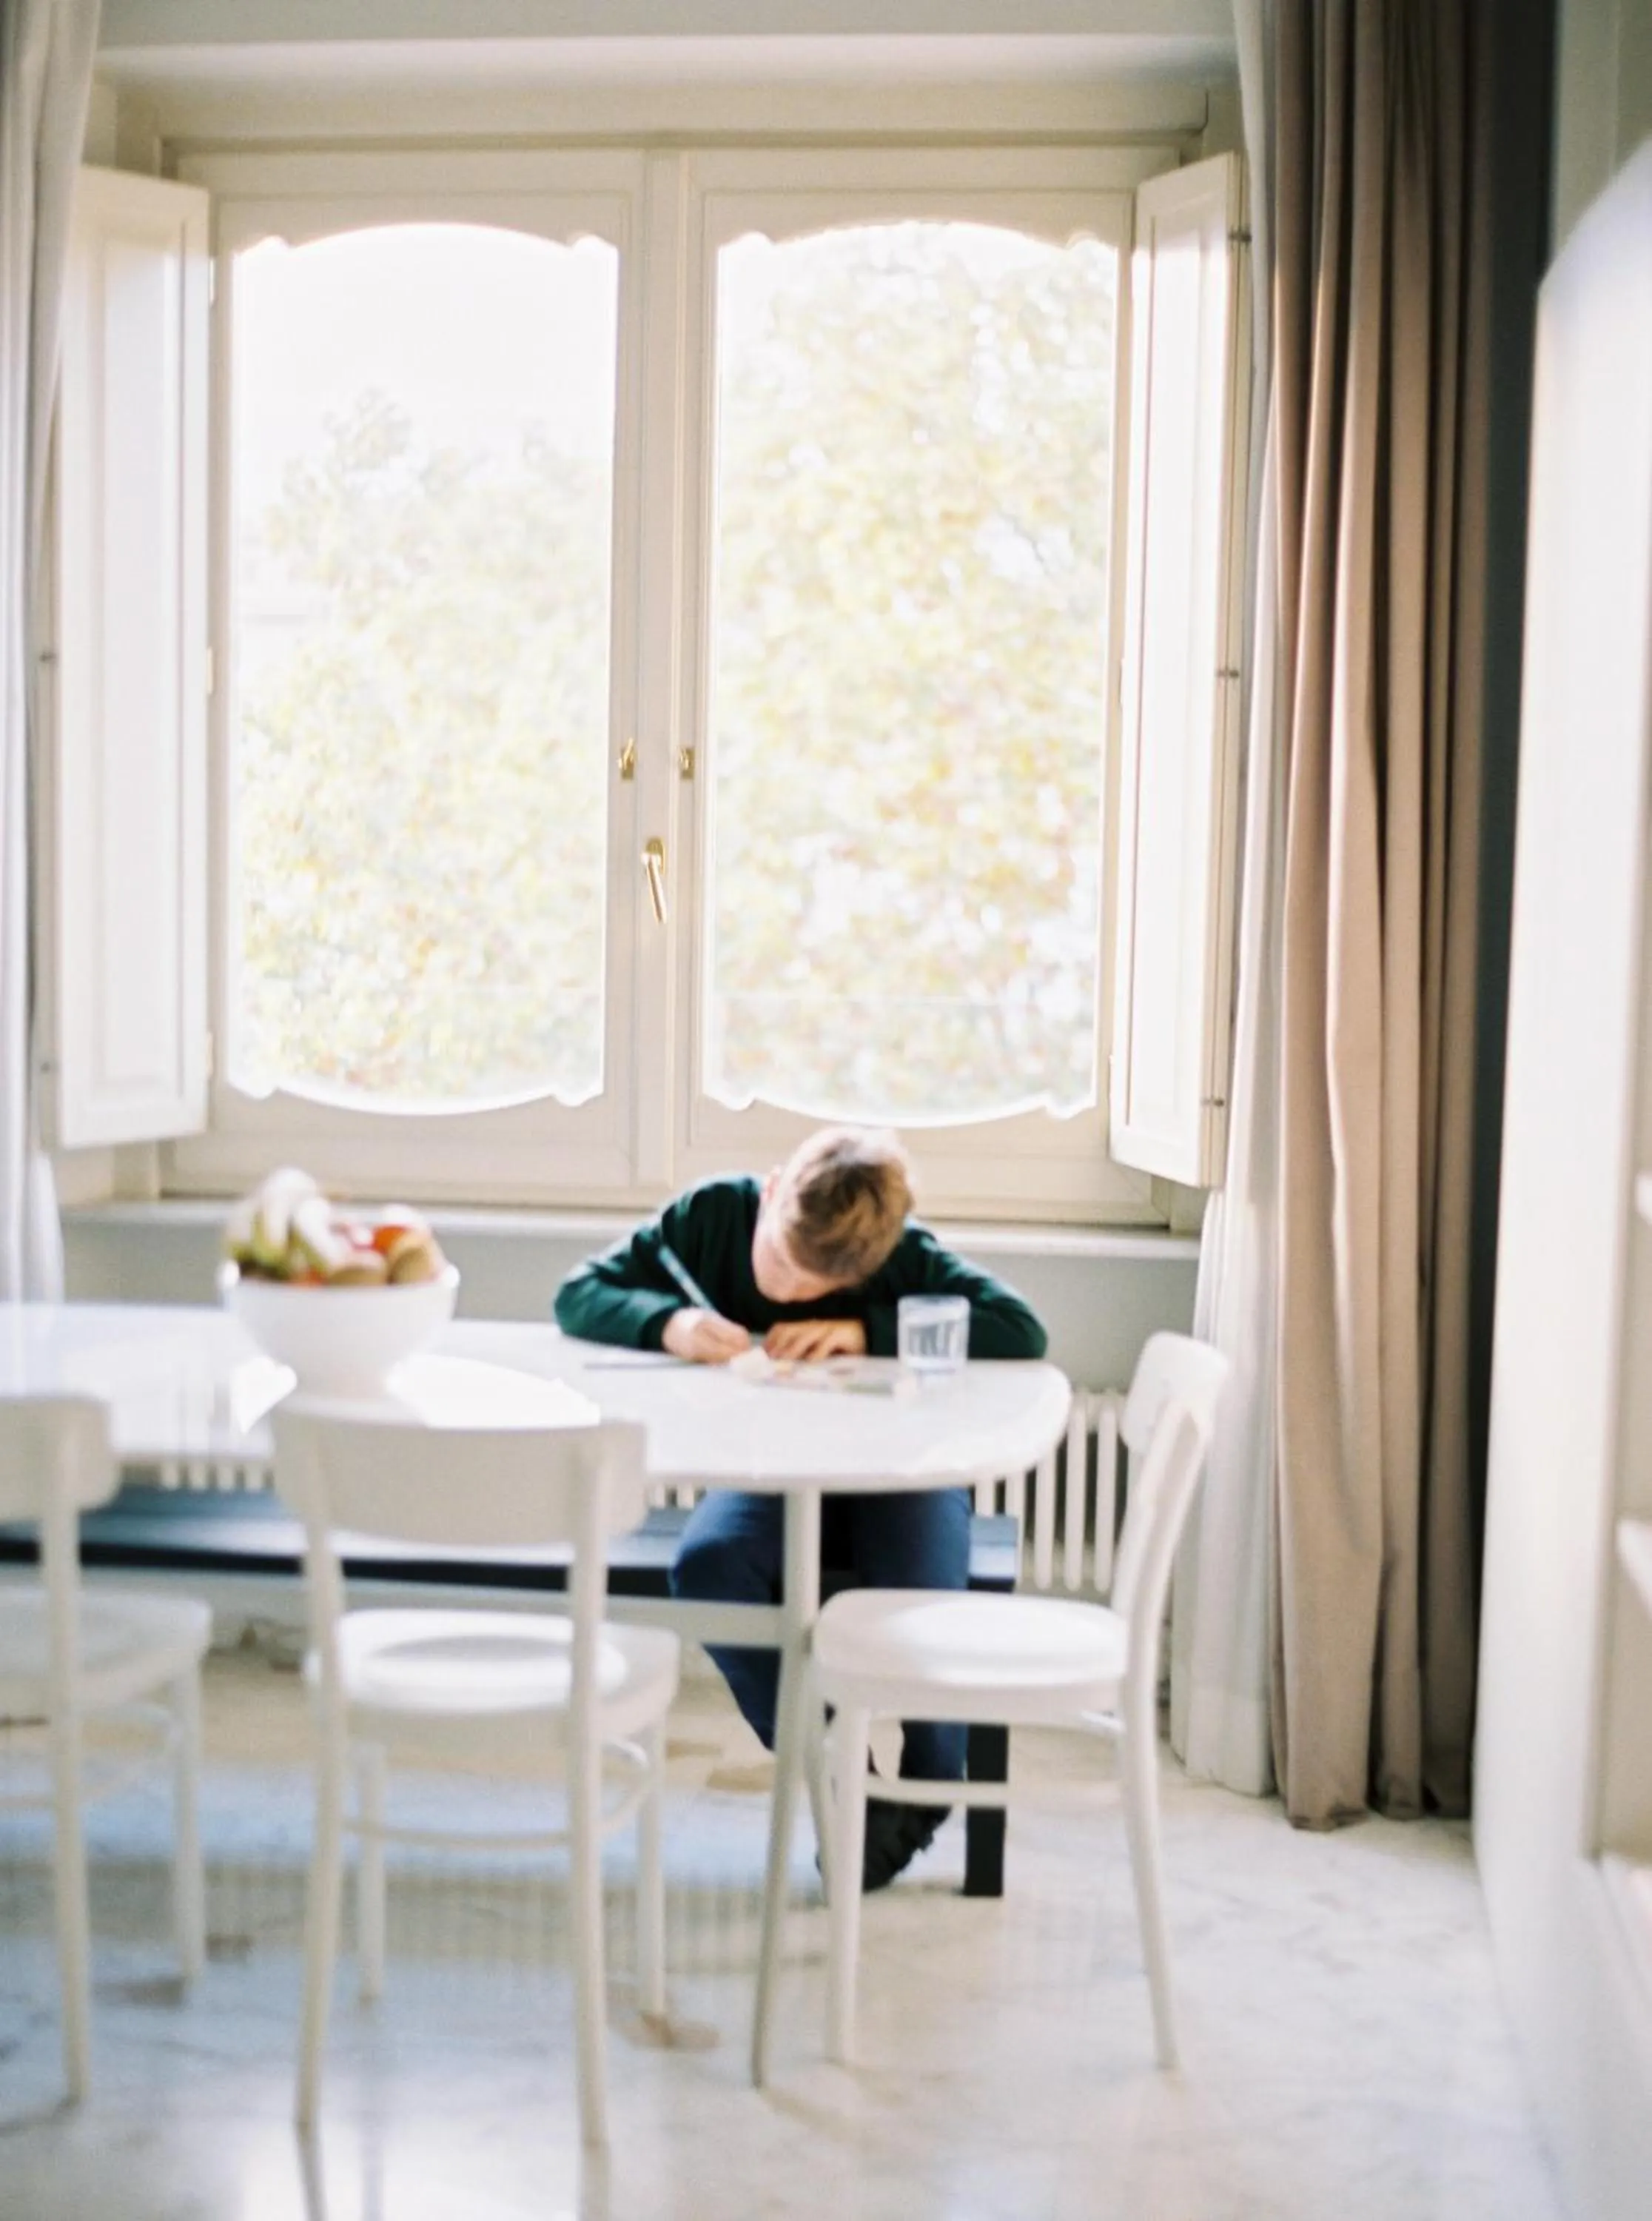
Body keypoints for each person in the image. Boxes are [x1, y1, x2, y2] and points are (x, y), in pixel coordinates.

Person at [554, 1125, 1048, 1891]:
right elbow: (577, 1293)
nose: (789, 1292)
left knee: (918, 1602)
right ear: (774, 1185)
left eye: (816, 1287)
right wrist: (670, 1323)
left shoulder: (894, 1250)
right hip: (770, 1475)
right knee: (710, 1568)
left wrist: (864, 1329)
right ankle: (840, 1773)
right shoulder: (713, 1217)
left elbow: (1021, 1328)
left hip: (906, 1471)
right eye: (782, 1262)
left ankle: (928, 1784)